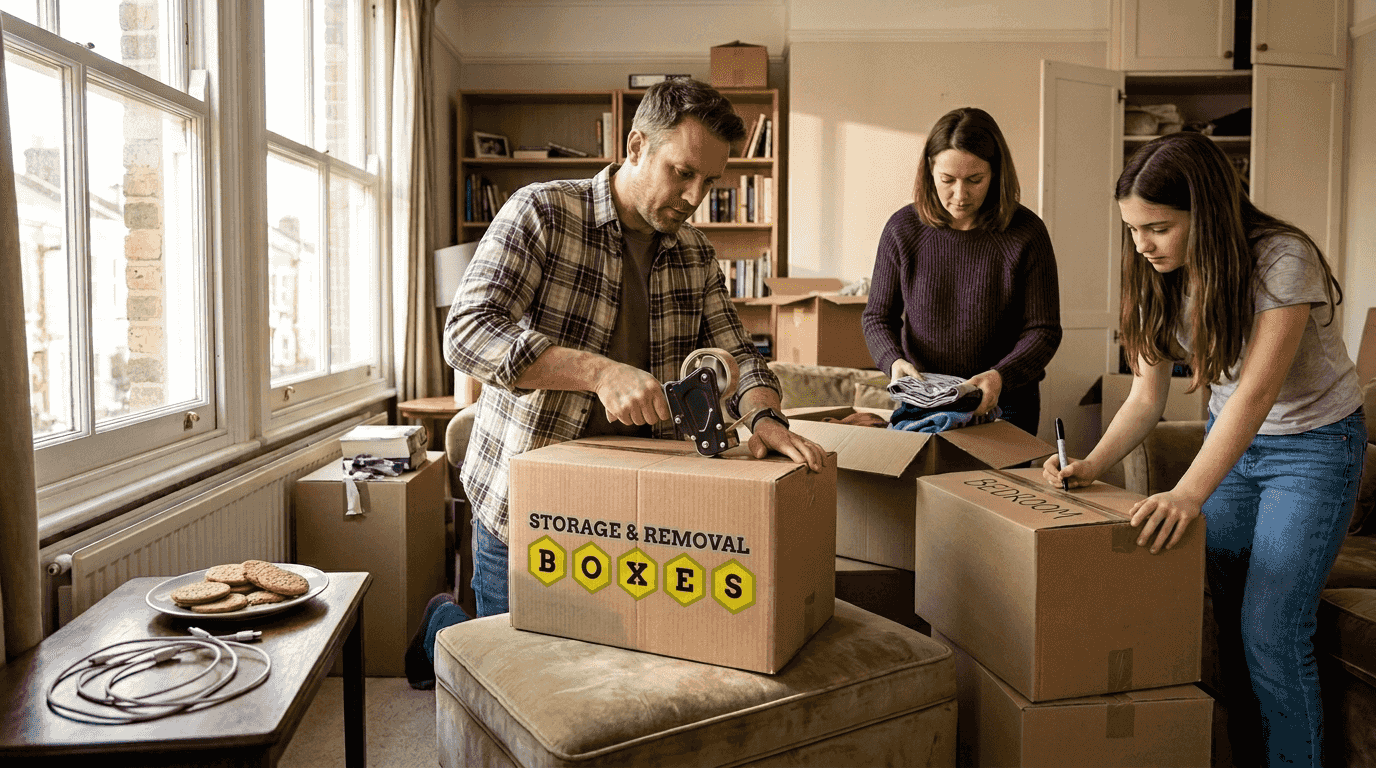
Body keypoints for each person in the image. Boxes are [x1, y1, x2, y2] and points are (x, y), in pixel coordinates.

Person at [404, 79, 826, 689]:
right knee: (518, 685)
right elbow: (467, 333)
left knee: (613, 684)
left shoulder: (697, 254)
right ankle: (443, 622)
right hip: (527, 507)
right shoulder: (542, 212)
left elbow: (740, 353)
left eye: (710, 183)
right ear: (634, 146)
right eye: (682, 173)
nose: (694, 198)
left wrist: (763, 416)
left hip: (637, 514)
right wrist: (597, 371)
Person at [1043, 131, 1366, 767]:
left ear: (1208, 212)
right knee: (1228, 627)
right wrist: (1089, 465)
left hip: (1313, 449)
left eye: (1158, 227)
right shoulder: (1154, 270)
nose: (1141, 244)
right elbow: (1145, 397)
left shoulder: (1283, 258)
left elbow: (1254, 396)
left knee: (1271, 631)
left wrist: (1189, 492)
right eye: (1132, 228)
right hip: (1237, 452)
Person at [861, 107, 1061, 436]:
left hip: (1006, 399)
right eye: (947, 180)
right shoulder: (902, 229)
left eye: (974, 180)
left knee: (996, 489)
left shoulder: (1027, 233)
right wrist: (893, 362)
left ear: (996, 173)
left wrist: (1000, 376)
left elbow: (1044, 330)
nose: (960, 194)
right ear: (929, 170)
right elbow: (877, 317)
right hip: (925, 397)